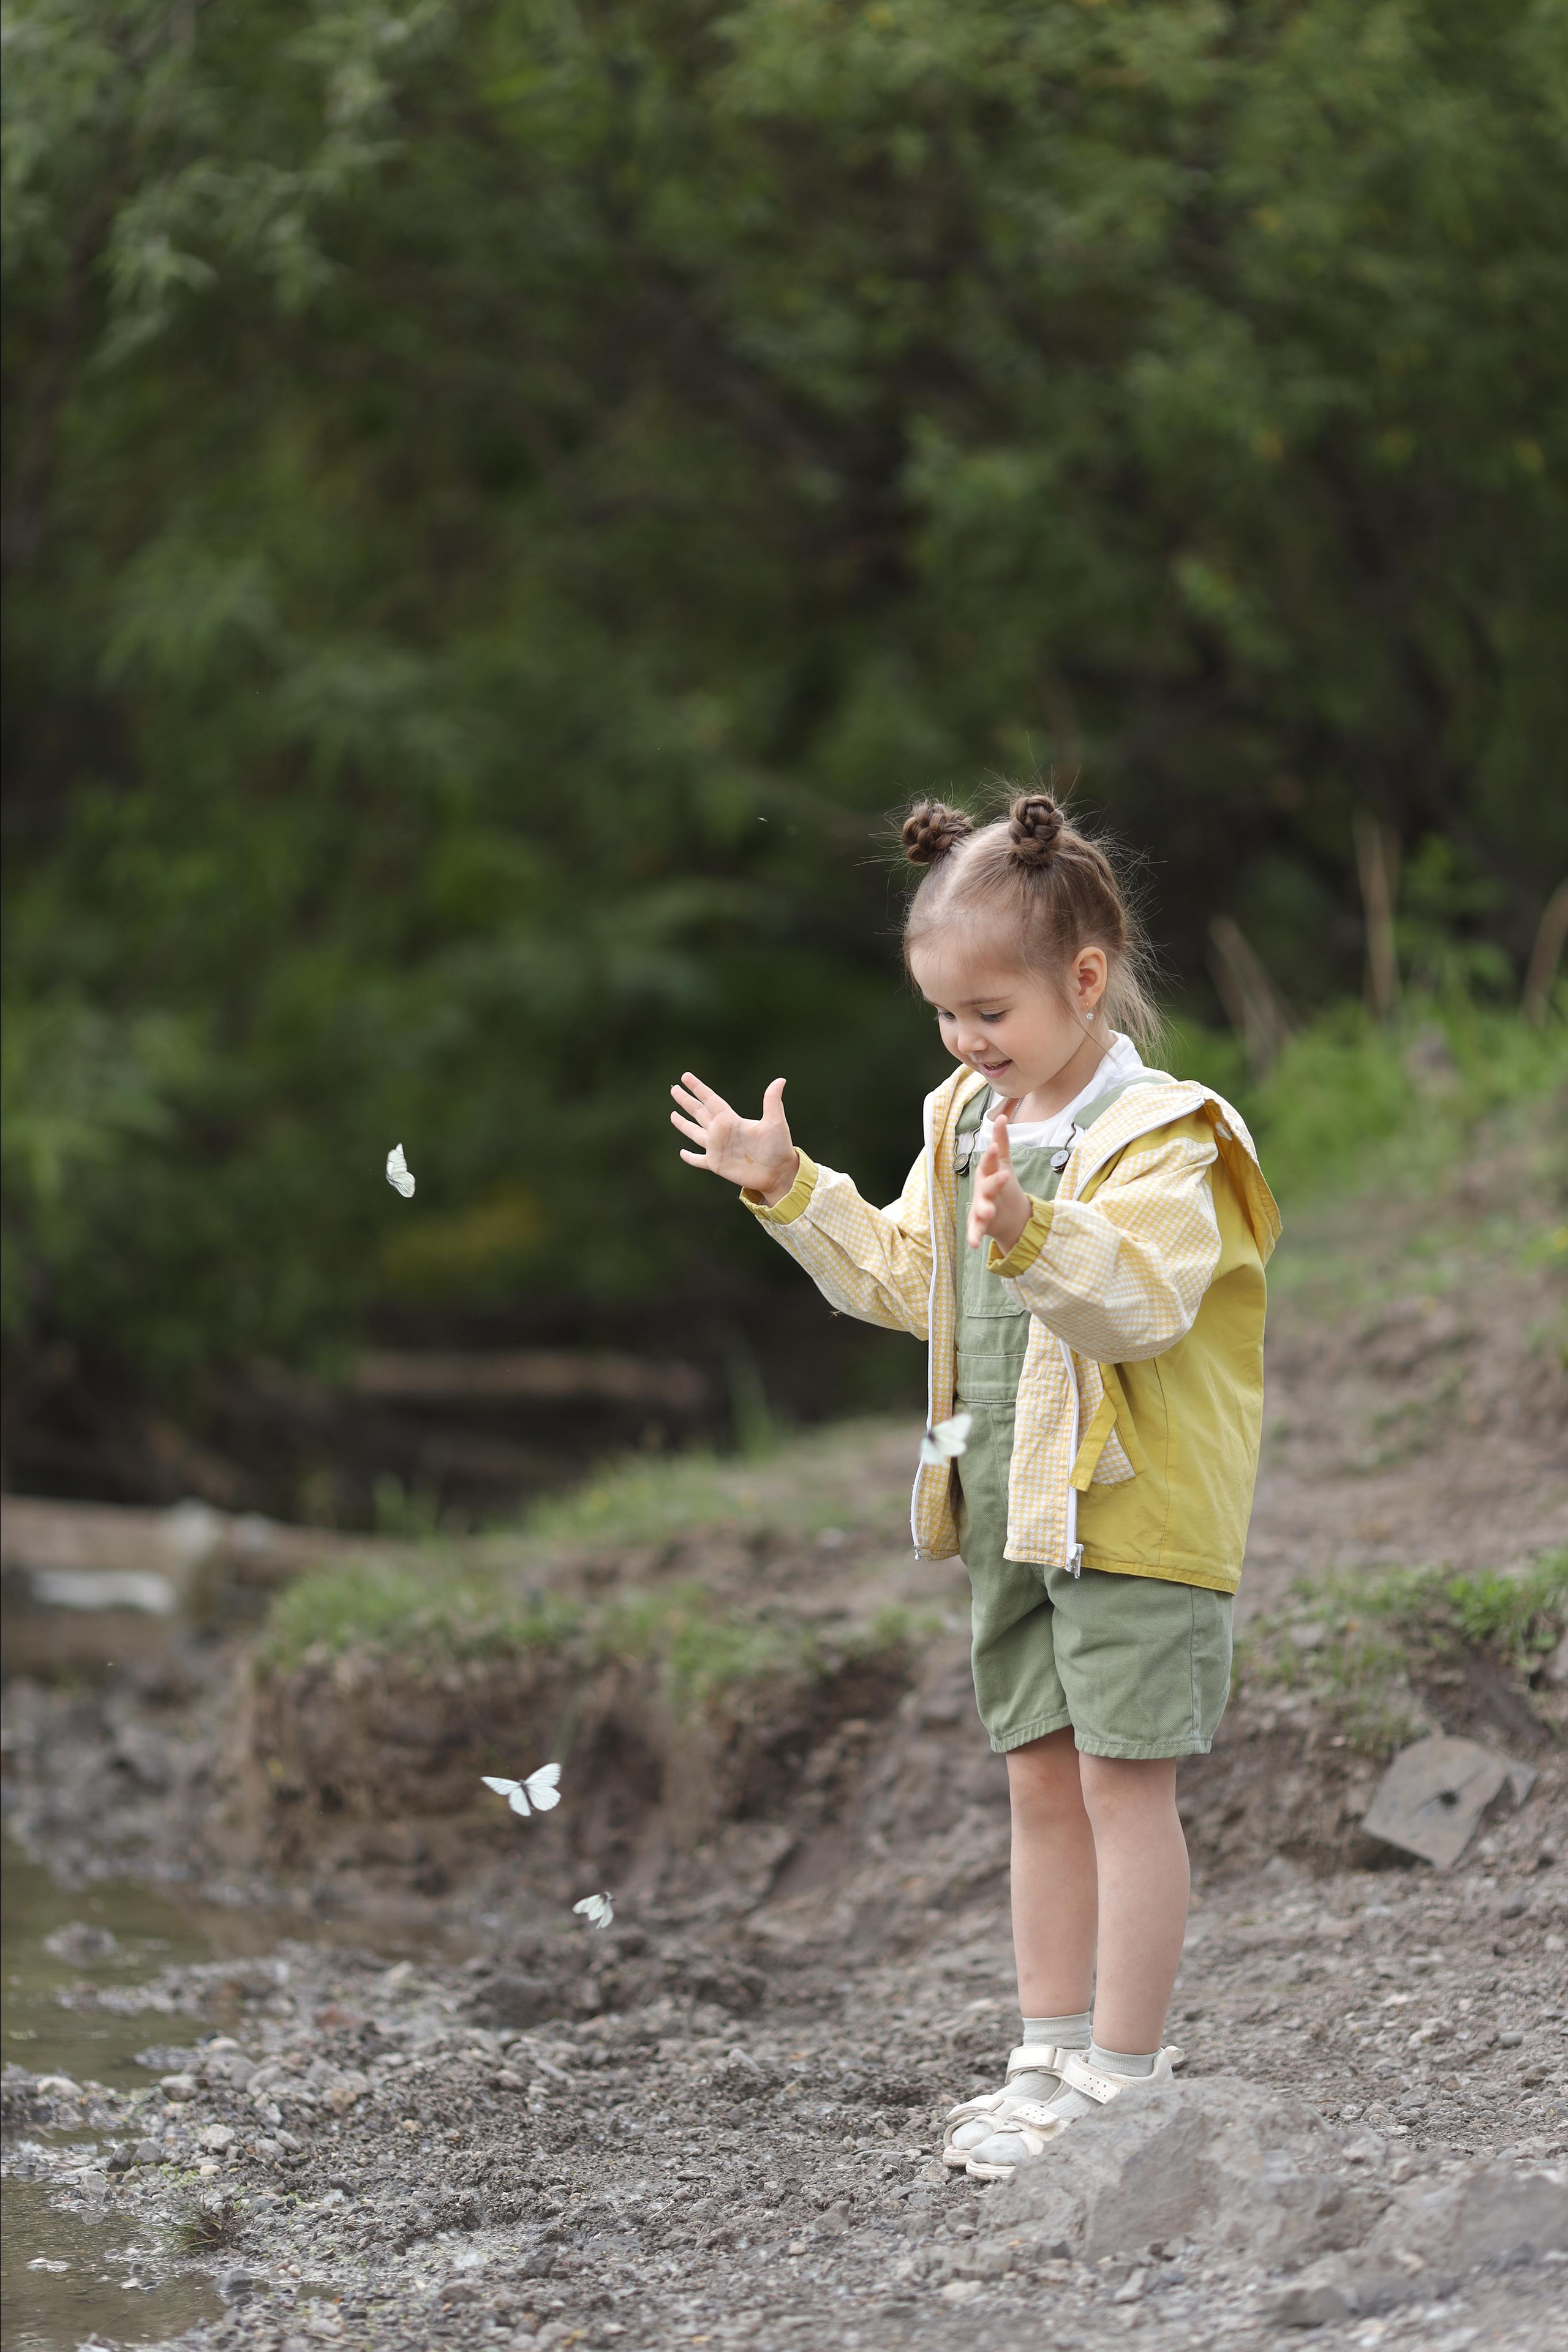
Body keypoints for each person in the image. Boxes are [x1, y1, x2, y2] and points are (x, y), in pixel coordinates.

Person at [669, 789, 1279, 2180]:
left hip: (1136, 1518)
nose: (964, 1043)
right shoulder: (960, 1117)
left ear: (1082, 979)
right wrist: (788, 1187)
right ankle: (1047, 2057)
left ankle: (1126, 2084)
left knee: (1127, 1793)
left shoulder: (1168, 1139)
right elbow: (904, 1278)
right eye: (944, 1017)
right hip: (1012, 1508)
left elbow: (1135, 1307)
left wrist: (1030, 1229)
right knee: (1039, 1786)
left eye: (988, 1014)